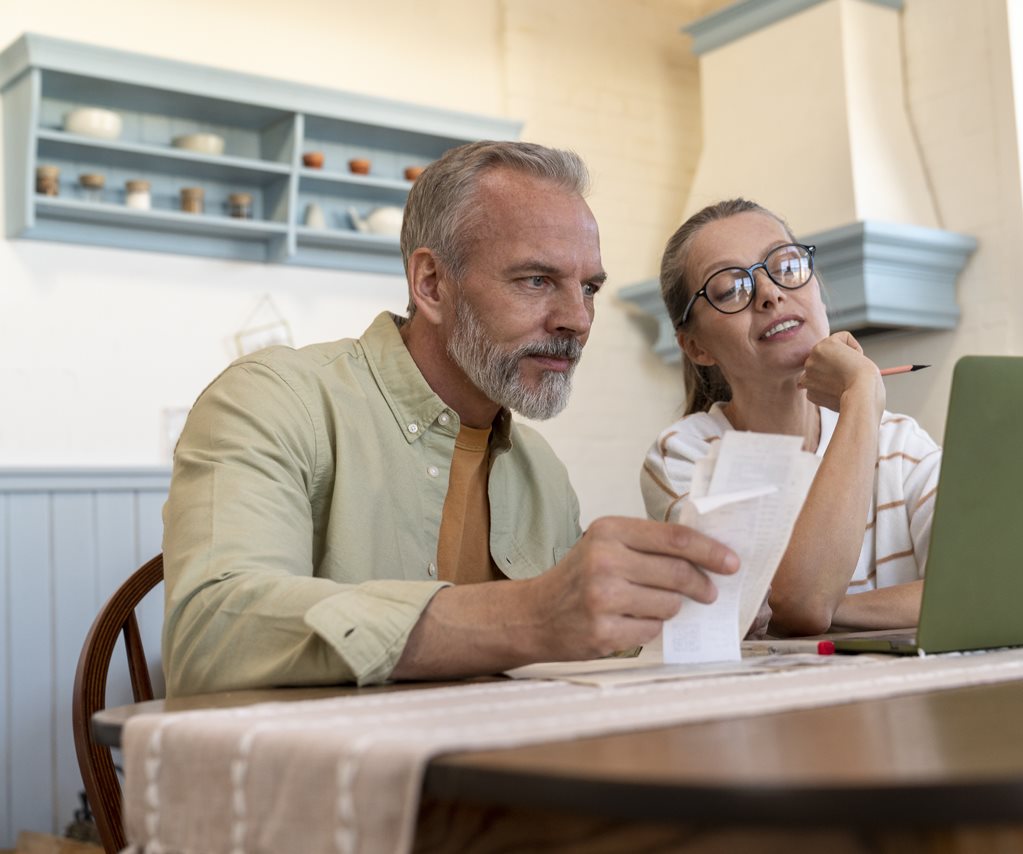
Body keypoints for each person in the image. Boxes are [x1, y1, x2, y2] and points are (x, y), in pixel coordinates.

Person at [162, 141, 739, 697]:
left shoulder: (541, 469)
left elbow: (576, 647)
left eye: (588, 287)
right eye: (536, 280)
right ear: (432, 284)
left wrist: (678, 611)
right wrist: (528, 614)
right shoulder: (273, 400)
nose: (577, 319)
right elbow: (212, 633)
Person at [640, 199, 940, 636]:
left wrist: (824, 607)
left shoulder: (903, 446)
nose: (770, 293)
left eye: (786, 264)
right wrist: (860, 398)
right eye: (729, 289)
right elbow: (803, 603)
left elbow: (976, 591)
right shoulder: (686, 457)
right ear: (696, 347)